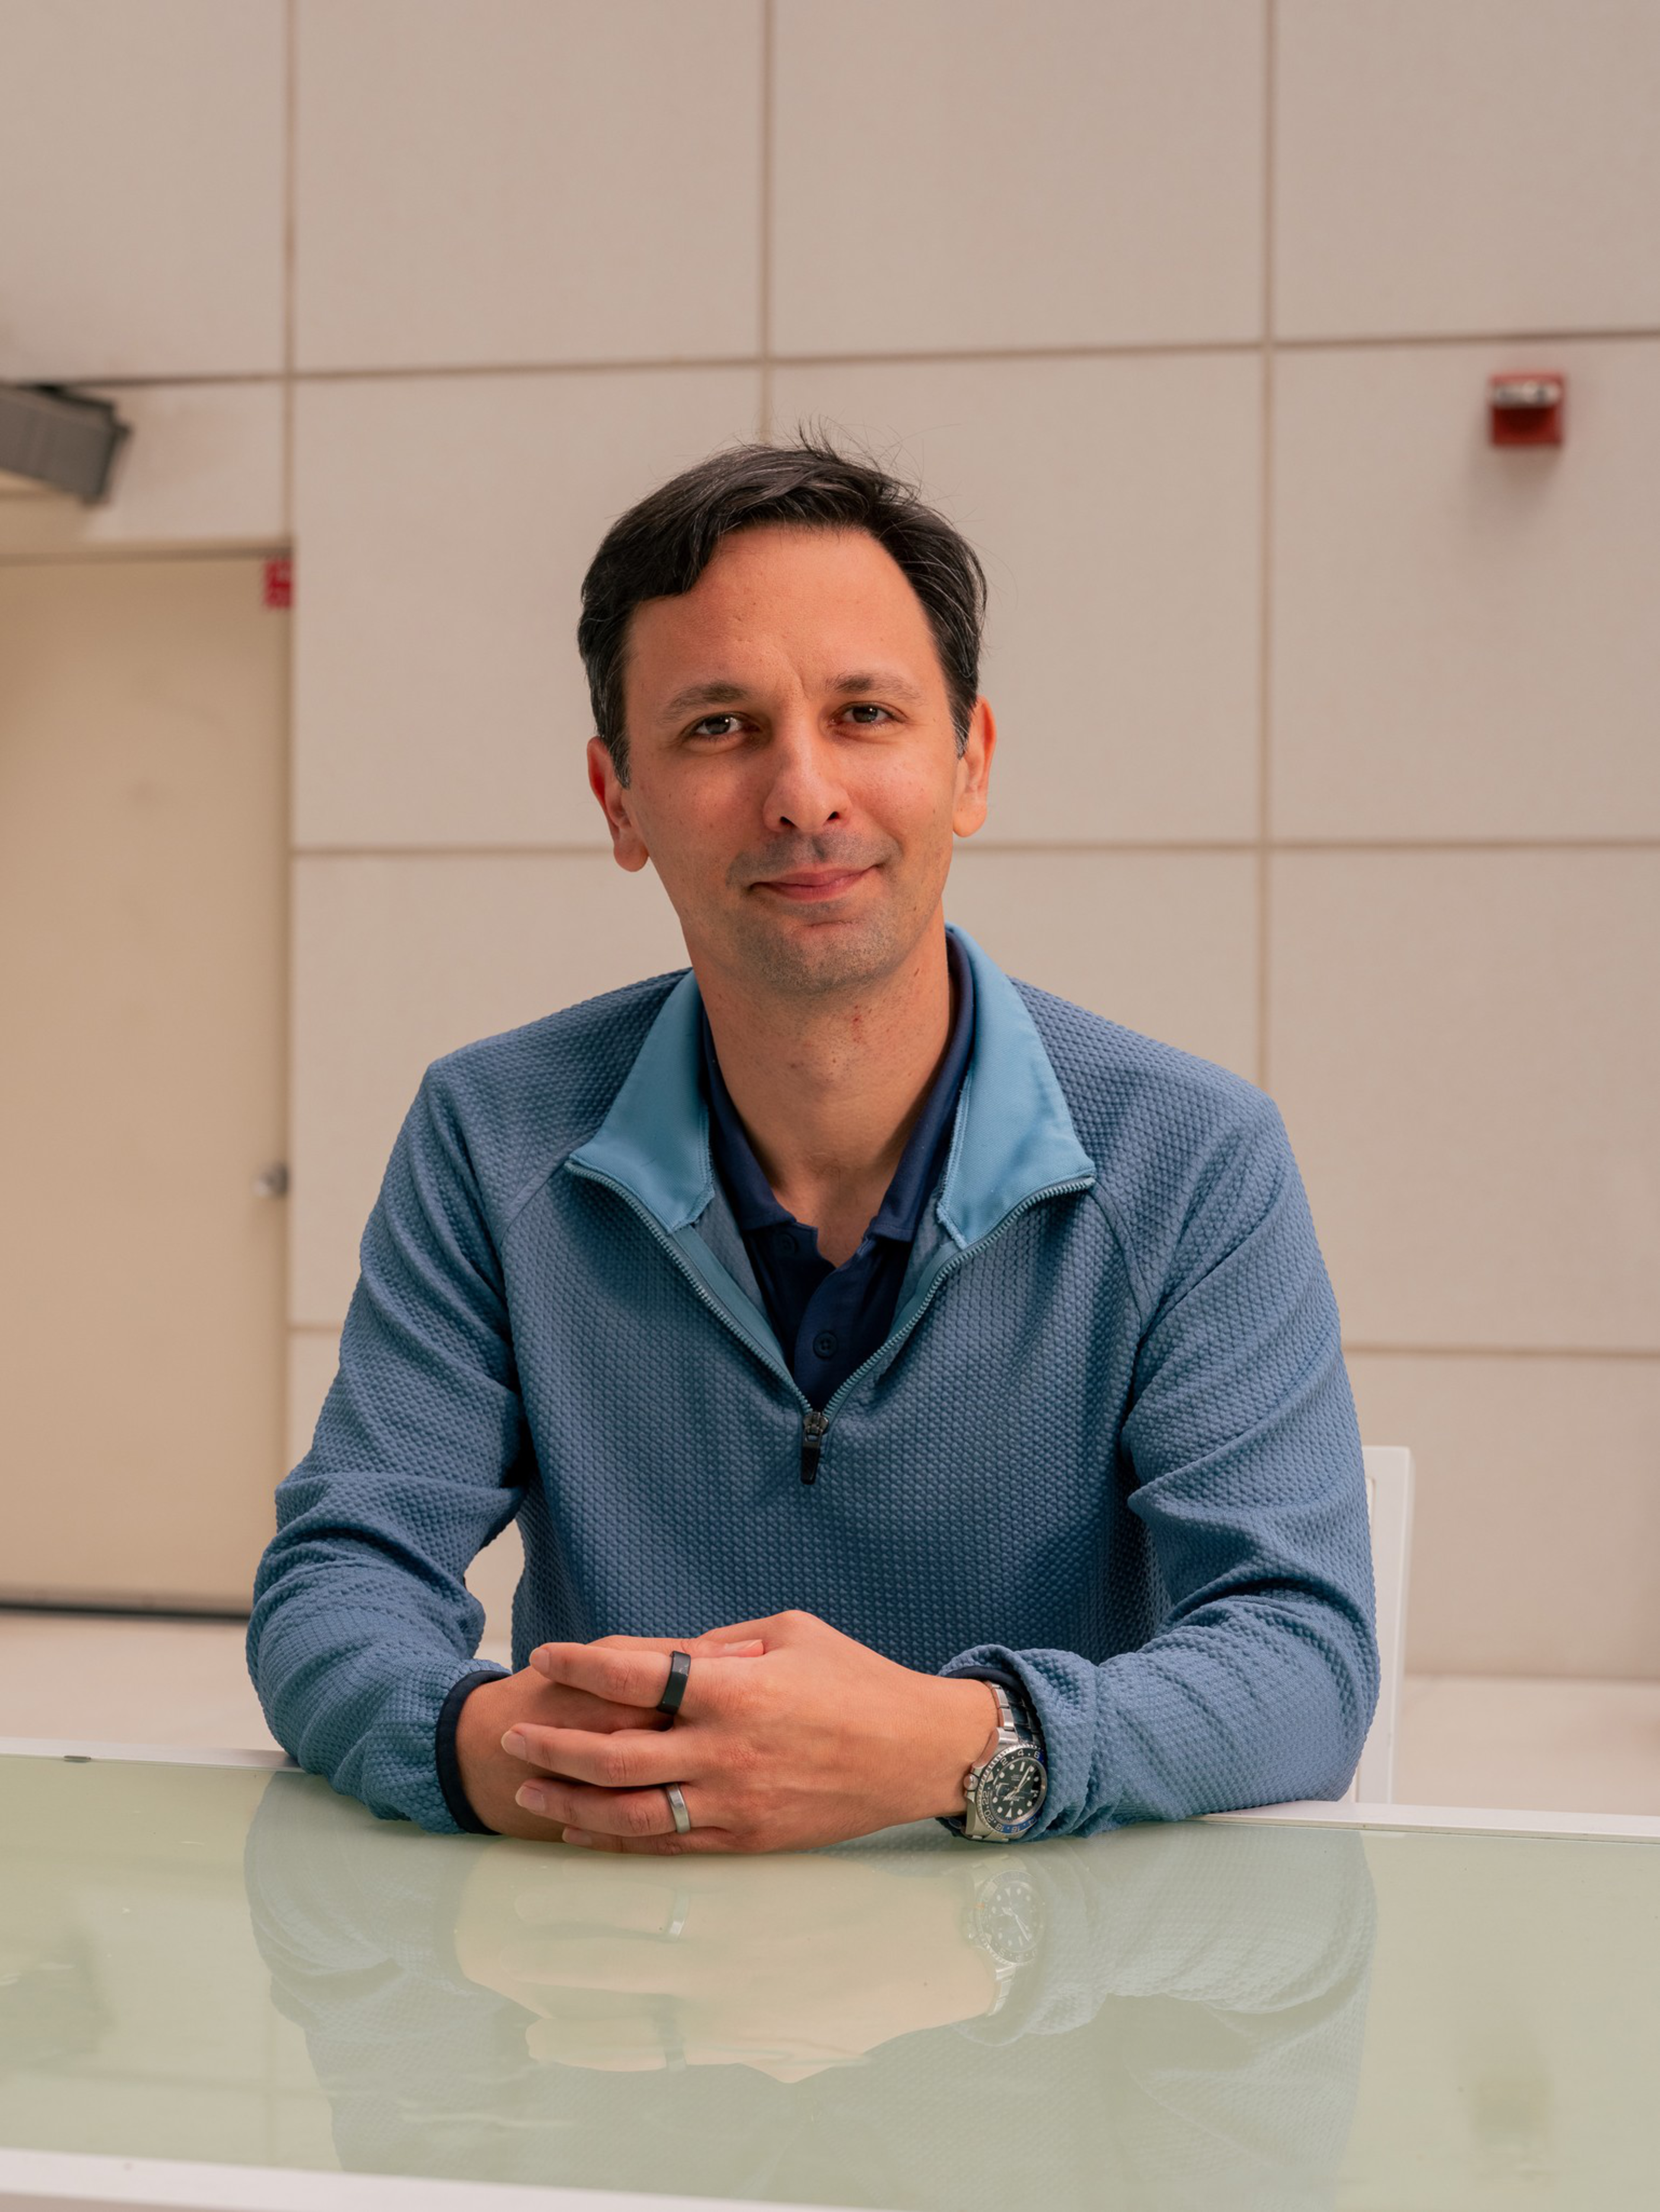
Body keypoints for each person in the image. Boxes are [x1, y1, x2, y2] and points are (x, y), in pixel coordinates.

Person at [247, 439, 1378, 1855]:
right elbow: (337, 1582)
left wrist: (950, 1749)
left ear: (969, 762)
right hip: (621, 1936)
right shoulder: (491, 1134)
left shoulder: (1192, 1156)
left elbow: (1303, 1655)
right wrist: (509, 1755)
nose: (803, 792)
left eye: (865, 714)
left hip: (1054, 1964)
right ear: (618, 798)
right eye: (720, 726)